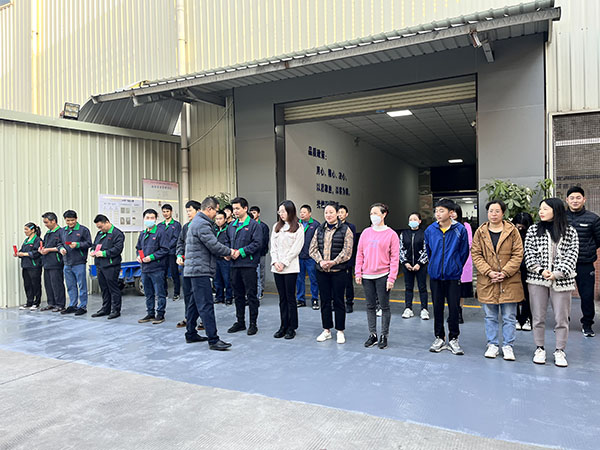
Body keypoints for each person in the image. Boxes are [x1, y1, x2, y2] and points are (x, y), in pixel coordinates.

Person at [525, 198, 579, 367]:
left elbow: (572, 255)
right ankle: (539, 348)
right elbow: (529, 253)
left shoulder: (570, 231)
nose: (541, 212)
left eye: (545, 209)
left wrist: (557, 273)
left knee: (562, 318)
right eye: (540, 209)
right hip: (537, 279)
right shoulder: (533, 230)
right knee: (538, 317)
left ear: (556, 210)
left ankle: (560, 350)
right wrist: (540, 270)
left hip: (562, 281)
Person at [471, 200, 524, 361]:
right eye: (491, 211)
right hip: (488, 281)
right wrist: (489, 272)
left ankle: (508, 346)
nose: (493, 214)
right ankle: (492, 344)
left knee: (509, 316)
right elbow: (476, 254)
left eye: (497, 211)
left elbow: (518, 254)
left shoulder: (512, 231)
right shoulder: (480, 232)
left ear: (503, 213)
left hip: (509, 280)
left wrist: (505, 272)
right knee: (490, 316)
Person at [184, 196, 237, 350]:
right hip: (199, 269)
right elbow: (213, 245)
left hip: (194, 269)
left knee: (194, 303)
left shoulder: (197, 222)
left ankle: (190, 333)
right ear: (209, 209)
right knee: (206, 304)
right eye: (216, 210)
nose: (217, 214)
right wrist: (230, 252)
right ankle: (213, 340)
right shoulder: (202, 224)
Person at [424, 199, 469, 355]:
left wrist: (456, 266)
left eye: (441, 210)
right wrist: (434, 266)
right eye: (436, 211)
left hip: (453, 276)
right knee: (437, 307)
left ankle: (454, 338)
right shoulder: (430, 230)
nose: (438, 214)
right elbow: (429, 251)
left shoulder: (460, 230)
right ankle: (439, 337)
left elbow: (464, 252)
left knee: (454, 308)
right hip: (435, 276)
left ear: (451, 213)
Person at [355, 203, 400, 349]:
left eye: (375, 213)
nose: (372, 216)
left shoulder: (391, 234)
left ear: (384, 214)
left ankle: (384, 335)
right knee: (370, 306)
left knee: (384, 306)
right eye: (371, 213)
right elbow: (360, 254)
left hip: (383, 275)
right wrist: (358, 272)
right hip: (367, 275)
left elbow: (395, 258)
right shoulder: (366, 233)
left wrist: (392, 278)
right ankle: (372, 334)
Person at [310, 202, 354, 344]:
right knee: (325, 301)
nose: (328, 215)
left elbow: (347, 251)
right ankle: (327, 330)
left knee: (339, 300)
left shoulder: (345, 230)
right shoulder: (319, 229)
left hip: (338, 271)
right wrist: (321, 261)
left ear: (337, 213)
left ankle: (340, 330)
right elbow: (312, 249)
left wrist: (334, 262)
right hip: (322, 271)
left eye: (331, 212)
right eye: (326, 212)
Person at [565, 186, 600, 337]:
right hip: (564, 264)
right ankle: (563, 323)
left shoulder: (593, 219)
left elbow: (598, 240)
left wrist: (588, 249)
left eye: (578, 198)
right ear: (567, 200)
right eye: (572, 198)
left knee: (587, 295)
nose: (575, 201)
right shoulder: (561, 218)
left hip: (585, 263)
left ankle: (587, 324)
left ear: (584, 199)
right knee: (563, 295)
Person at [226, 197, 263, 336]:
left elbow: (257, 243)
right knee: (238, 295)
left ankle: (253, 324)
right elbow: (226, 241)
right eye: (233, 209)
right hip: (234, 265)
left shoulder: (254, 225)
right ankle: (240, 321)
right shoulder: (231, 225)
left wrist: (241, 252)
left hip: (248, 265)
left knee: (251, 295)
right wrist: (227, 252)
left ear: (245, 208)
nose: (235, 211)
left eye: (237, 208)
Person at [270, 200, 304, 340]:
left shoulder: (298, 227)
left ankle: (292, 327)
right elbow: (273, 247)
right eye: (280, 211)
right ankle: (283, 325)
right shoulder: (276, 227)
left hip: (290, 268)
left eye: (284, 211)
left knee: (290, 297)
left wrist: (284, 262)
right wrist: (275, 261)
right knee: (282, 298)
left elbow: (296, 248)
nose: (281, 214)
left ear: (290, 211)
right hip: (277, 268)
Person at [136, 209, 169, 324]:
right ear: (144, 219)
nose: (149, 220)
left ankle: (160, 314)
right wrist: (138, 256)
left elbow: (165, 249)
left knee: (160, 293)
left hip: (157, 268)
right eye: (147, 218)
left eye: (152, 218)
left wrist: (152, 257)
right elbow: (138, 248)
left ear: (155, 219)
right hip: (145, 269)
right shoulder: (143, 234)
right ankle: (150, 313)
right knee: (148, 293)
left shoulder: (160, 233)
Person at [90, 215, 125, 319]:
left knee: (113, 288)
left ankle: (116, 310)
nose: (100, 229)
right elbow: (94, 245)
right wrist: (93, 250)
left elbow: (117, 249)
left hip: (111, 265)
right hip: (100, 265)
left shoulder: (117, 234)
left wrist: (104, 253)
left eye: (101, 227)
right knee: (104, 288)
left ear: (107, 222)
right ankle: (105, 308)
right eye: (98, 227)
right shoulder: (100, 233)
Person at [58, 210, 92, 315]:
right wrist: (61, 249)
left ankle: (83, 306)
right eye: (68, 220)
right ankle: (72, 305)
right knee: (70, 285)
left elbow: (89, 243)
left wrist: (77, 245)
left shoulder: (83, 230)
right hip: (67, 262)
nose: (70, 222)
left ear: (76, 219)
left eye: (72, 220)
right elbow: (59, 243)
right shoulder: (62, 231)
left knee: (82, 285)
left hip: (79, 262)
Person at [175, 200, 202, 328]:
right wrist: (179, 255)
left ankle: (204, 319)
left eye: (190, 211)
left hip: (199, 266)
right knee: (187, 293)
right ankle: (189, 318)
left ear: (198, 211)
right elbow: (180, 242)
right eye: (187, 211)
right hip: (186, 266)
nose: (188, 213)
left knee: (200, 294)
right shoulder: (186, 227)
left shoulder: (204, 225)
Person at [399, 212, 429, 320]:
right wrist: (405, 262)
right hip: (407, 266)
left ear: (420, 221)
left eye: (415, 219)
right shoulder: (404, 234)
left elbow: (427, 250)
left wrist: (419, 263)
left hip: (421, 266)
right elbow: (401, 249)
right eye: (410, 219)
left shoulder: (424, 234)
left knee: (422, 287)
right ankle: (408, 308)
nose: (412, 221)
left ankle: (424, 309)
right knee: (408, 287)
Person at [39, 212, 66, 312]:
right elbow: (45, 245)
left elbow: (62, 246)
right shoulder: (48, 233)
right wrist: (41, 249)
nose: (45, 224)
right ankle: (51, 303)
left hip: (56, 262)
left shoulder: (61, 232)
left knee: (57, 284)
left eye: (46, 222)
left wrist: (49, 250)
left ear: (53, 221)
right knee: (48, 284)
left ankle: (60, 304)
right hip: (47, 262)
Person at [512, 212, 534, 331]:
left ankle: (526, 318)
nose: (520, 229)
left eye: (523, 227)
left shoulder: (532, 235)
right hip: (513, 268)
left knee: (527, 294)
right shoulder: (511, 233)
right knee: (514, 294)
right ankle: (515, 317)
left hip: (528, 268)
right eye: (518, 226)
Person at [451, 205, 472, 324]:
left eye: (455, 212)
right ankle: (452, 312)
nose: (453, 214)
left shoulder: (466, 226)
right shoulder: (445, 225)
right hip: (449, 262)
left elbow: (469, 243)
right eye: (451, 212)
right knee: (450, 289)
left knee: (461, 291)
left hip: (463, 261)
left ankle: (459, 312)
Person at [296, 204, 320, 309]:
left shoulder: (315, 225)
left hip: (311, 257)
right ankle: (300, 299)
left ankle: (315, 299)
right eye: (301, 212)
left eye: (304, 212)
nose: (302, 214)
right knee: (299, 279)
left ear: (309, 213)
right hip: (299, 256)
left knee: (313, 279)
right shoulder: (297, 224)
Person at [15, 223, 43, 310]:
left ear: (33, 230)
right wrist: (18, 253)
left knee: (35, 284)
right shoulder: (26, 240)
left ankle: (36, 302)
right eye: (24, 229)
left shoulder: (38, 240)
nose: (25, 231)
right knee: (27, 284)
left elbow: (36, 253)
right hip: (25, 265)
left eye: (26, 229)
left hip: (34, 266)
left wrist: (24, 254)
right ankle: (29, 302)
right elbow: (22, 250)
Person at [159, 204, 182, 300]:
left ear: (171, 212)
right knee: (162, 273)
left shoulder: (176, 225)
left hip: (172, 253)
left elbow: (176, 238)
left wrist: (166, 247)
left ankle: (176, 293)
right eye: (164, 212)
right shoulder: (160, 225)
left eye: (167, 211)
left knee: (174, 273)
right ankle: (164, 293)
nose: (165, 213)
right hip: (162, 254)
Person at [338, 204, 357, 313]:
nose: (340, 215)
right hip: (335, 261)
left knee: (348, 283)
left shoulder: (351, 227)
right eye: (338, 212)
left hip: (347, 260)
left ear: (346, 214)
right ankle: (337, 303)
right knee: (336, 283)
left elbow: (351, 244)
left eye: (342, 212)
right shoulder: (332, 226)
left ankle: (349, 303)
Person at [250, 205, 270, 299]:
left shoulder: (263, 226)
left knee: (261, 272)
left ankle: (261, 289)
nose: (252, 214)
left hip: (261, 253)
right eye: (251, 212)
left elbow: (265, 240)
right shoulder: (249, 225)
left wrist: (260, 250)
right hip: (251, 253)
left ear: (258, 214)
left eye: (254, 213)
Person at [214, 210, 233, 305]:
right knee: (217, 280)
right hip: (215, 258)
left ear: (225, 219)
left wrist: (228, 253)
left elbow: (230, 242)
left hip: (225, 258)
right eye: (216, 219)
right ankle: (219, 297)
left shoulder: (229, 229)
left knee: (227, 279)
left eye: (220, 218)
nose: (218, 221)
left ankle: (229, 297)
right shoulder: (213, 229)